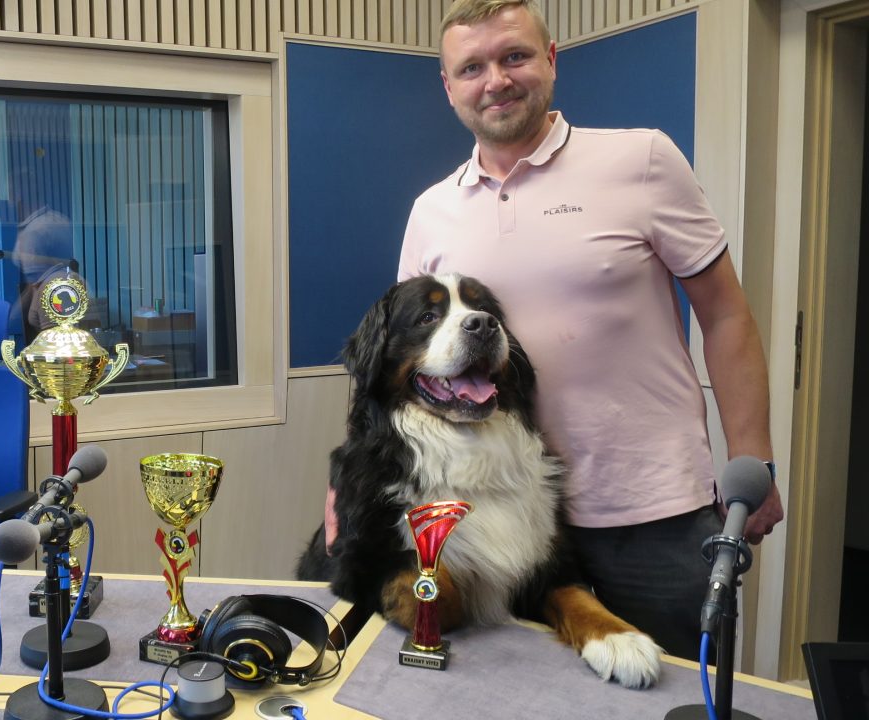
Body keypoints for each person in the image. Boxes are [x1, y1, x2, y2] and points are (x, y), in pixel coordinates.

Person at [324, 0, 783, 660]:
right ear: (449, 86)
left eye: (514, 56)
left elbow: (726, 314)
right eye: (472, 67)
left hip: (650, 508)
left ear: (550, 59)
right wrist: (348, 486)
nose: (496, 80)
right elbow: (400, 367)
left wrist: (753, 465)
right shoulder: (431, 210)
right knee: (505, 692)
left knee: (677, 688)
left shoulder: (643, 159)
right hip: (495, 512)